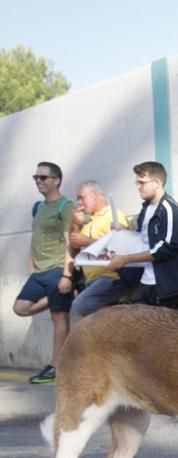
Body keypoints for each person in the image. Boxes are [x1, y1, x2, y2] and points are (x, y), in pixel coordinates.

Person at [13, 162, 76, 384]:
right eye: (36, 177)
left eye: (43, 177)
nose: (39, 181)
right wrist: (31, 265)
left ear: (57, 180)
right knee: (20, 307)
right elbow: (35, 237)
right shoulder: (38, 207)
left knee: (59, 317)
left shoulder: (66, 206)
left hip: (58, 269)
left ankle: (57, 366)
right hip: (39, 272)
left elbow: (71, 243)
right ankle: (55, 297)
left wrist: (67, 276)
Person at [107, 162, 178, 310]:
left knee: (161, 330)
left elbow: (165, 248)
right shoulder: (147, 208)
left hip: (166, 285)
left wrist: (125, 259)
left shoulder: (169, 210)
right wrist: (124, 231)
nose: (138, 187)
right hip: (147, 281)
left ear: (157, 183)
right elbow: (145, 240)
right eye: (137, 182)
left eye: (142, 182)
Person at [68, 181, 133, 317]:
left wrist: (87, 241)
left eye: (82, 197)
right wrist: (74, 224)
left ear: (95, 195)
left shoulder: (113, 215)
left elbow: (122, 247)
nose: (79, 202)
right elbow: (73, 249)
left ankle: (126, 317)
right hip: (91, 280)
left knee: (81, 305)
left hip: (111, 277)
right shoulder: (88, 222)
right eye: (77, 199)